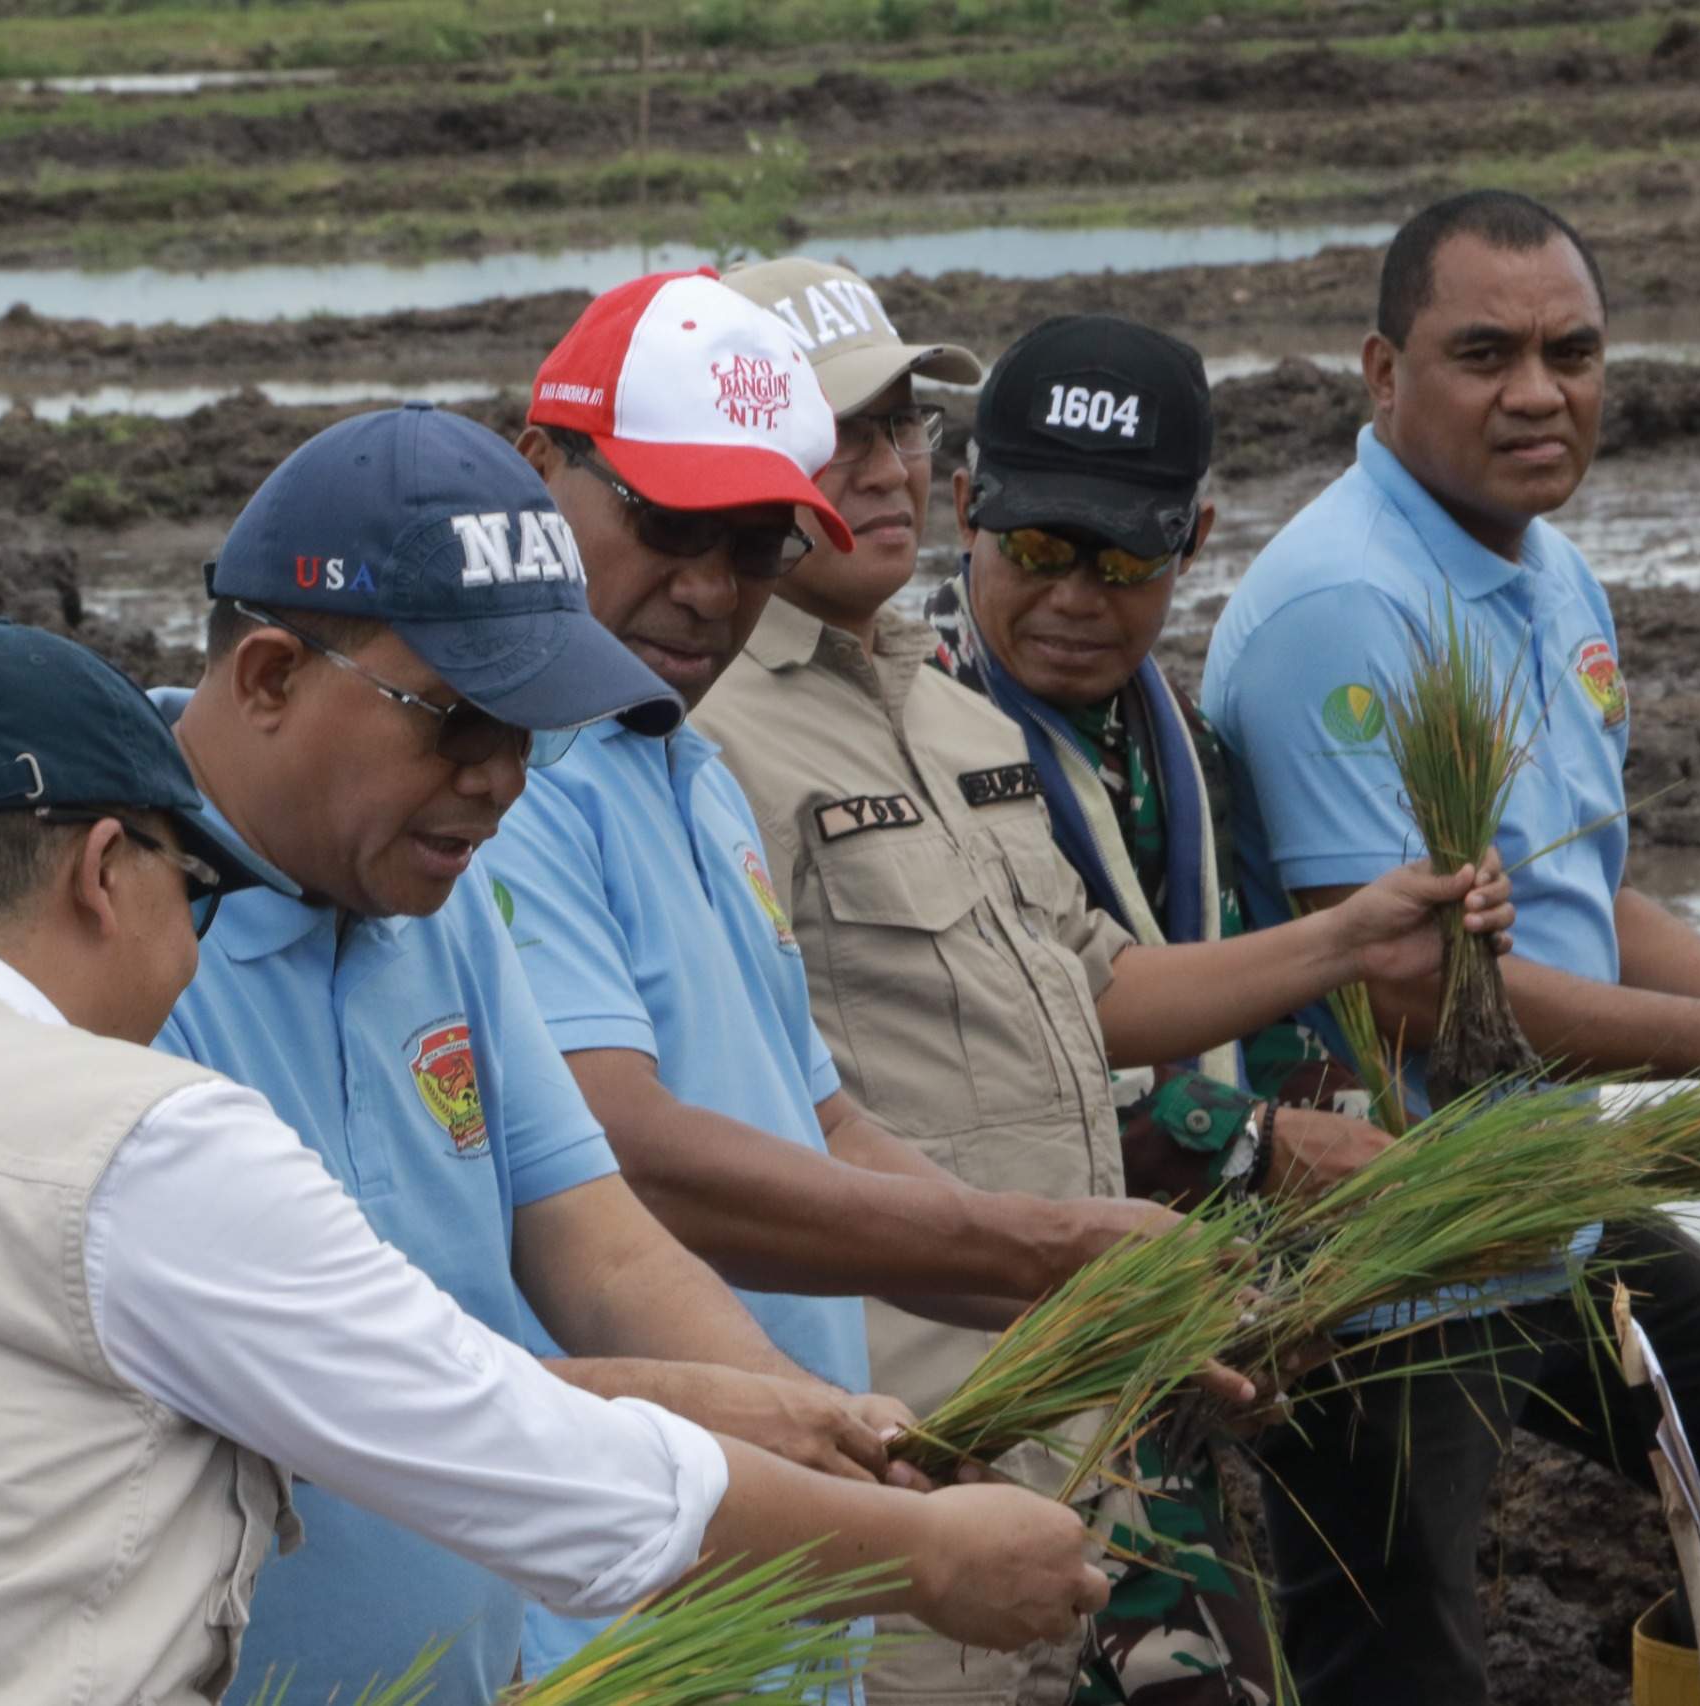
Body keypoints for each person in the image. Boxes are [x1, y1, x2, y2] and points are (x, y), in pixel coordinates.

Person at [0, 618, 1117, 1706]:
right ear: (109, 871)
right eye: (198, 896)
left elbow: (326, 1386)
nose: (197, 949)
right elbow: (509, 1461)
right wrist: (923, 1557)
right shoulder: (129, 1137)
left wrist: (743, 1400)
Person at [698, 268, 1509, 1705]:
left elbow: (1094, 990)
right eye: (839, 435)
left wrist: (1354, 935)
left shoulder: (945, 716)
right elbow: (735, 1127)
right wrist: (1238, 1159)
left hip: (1088, 1398)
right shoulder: (697, 735)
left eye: (902, 426)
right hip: (903, 1429)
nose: (886, 466)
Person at [481, 267, 1205, 1678]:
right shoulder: (508, 787)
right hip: (645, 1578)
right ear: (538, 468)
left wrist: (1080, 1304)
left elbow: (819, 1114)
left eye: (753, 545)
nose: (706, 591)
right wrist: (1041, 1254)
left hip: (806, 1534)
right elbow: (621, 1157)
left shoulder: (678, 765)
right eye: (664, 521)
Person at [158, 405, 926, 1706]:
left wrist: (830, 1433)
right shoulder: (115, 940)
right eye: (455, 721)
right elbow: (356, 1397)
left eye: (527, 730)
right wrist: (871, 1517)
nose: (501, 780)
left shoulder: (438, 911)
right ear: (272, 677)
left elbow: (596, 1239)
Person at [1202, 189, 1700, 1706]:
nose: (1537, 391)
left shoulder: (1548, 572)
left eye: (1571, 350)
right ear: (1381, 371)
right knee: (1399, 1653)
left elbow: (1580, 899)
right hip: (1382, 1225)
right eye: (1484, 352)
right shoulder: (1353, 603)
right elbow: (1407, 989)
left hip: (1535, 1190)